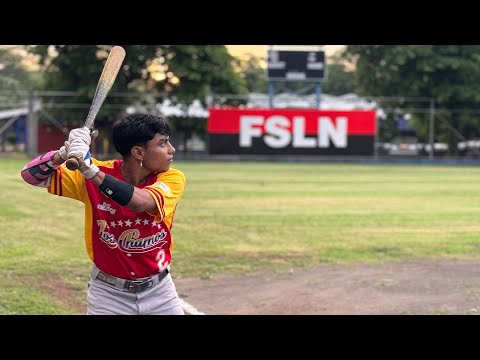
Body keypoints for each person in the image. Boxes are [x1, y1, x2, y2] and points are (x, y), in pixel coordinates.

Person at [20, 113, 186, 315]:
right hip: (108, 295)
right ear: (138, 152)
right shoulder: (94, 171)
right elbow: (30, 175)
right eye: (163, 144)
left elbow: (141, 202)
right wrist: (62, 154)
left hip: (160, 292)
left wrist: (90, 171)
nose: (171, 150)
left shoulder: (172, 178)